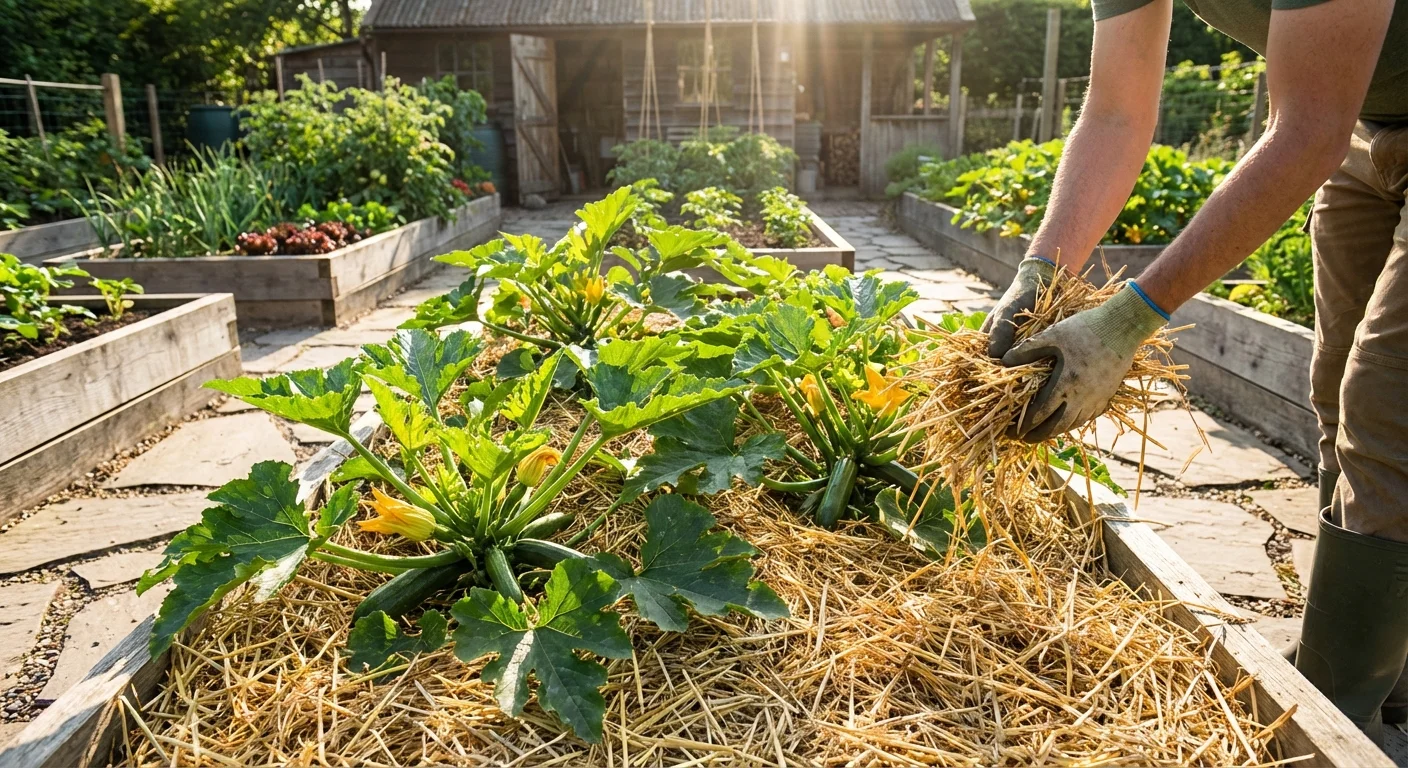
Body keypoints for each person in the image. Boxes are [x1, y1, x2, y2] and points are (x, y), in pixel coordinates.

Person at [981, 0, 1408, 740]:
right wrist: (1040, 267)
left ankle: (1331, 723)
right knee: (1337, 392)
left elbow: (1305, 130)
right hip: (1371, 128)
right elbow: (1116, 111)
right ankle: (1385, 679)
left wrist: (1127, 319)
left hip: (1332, 121)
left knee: (1387, 411)